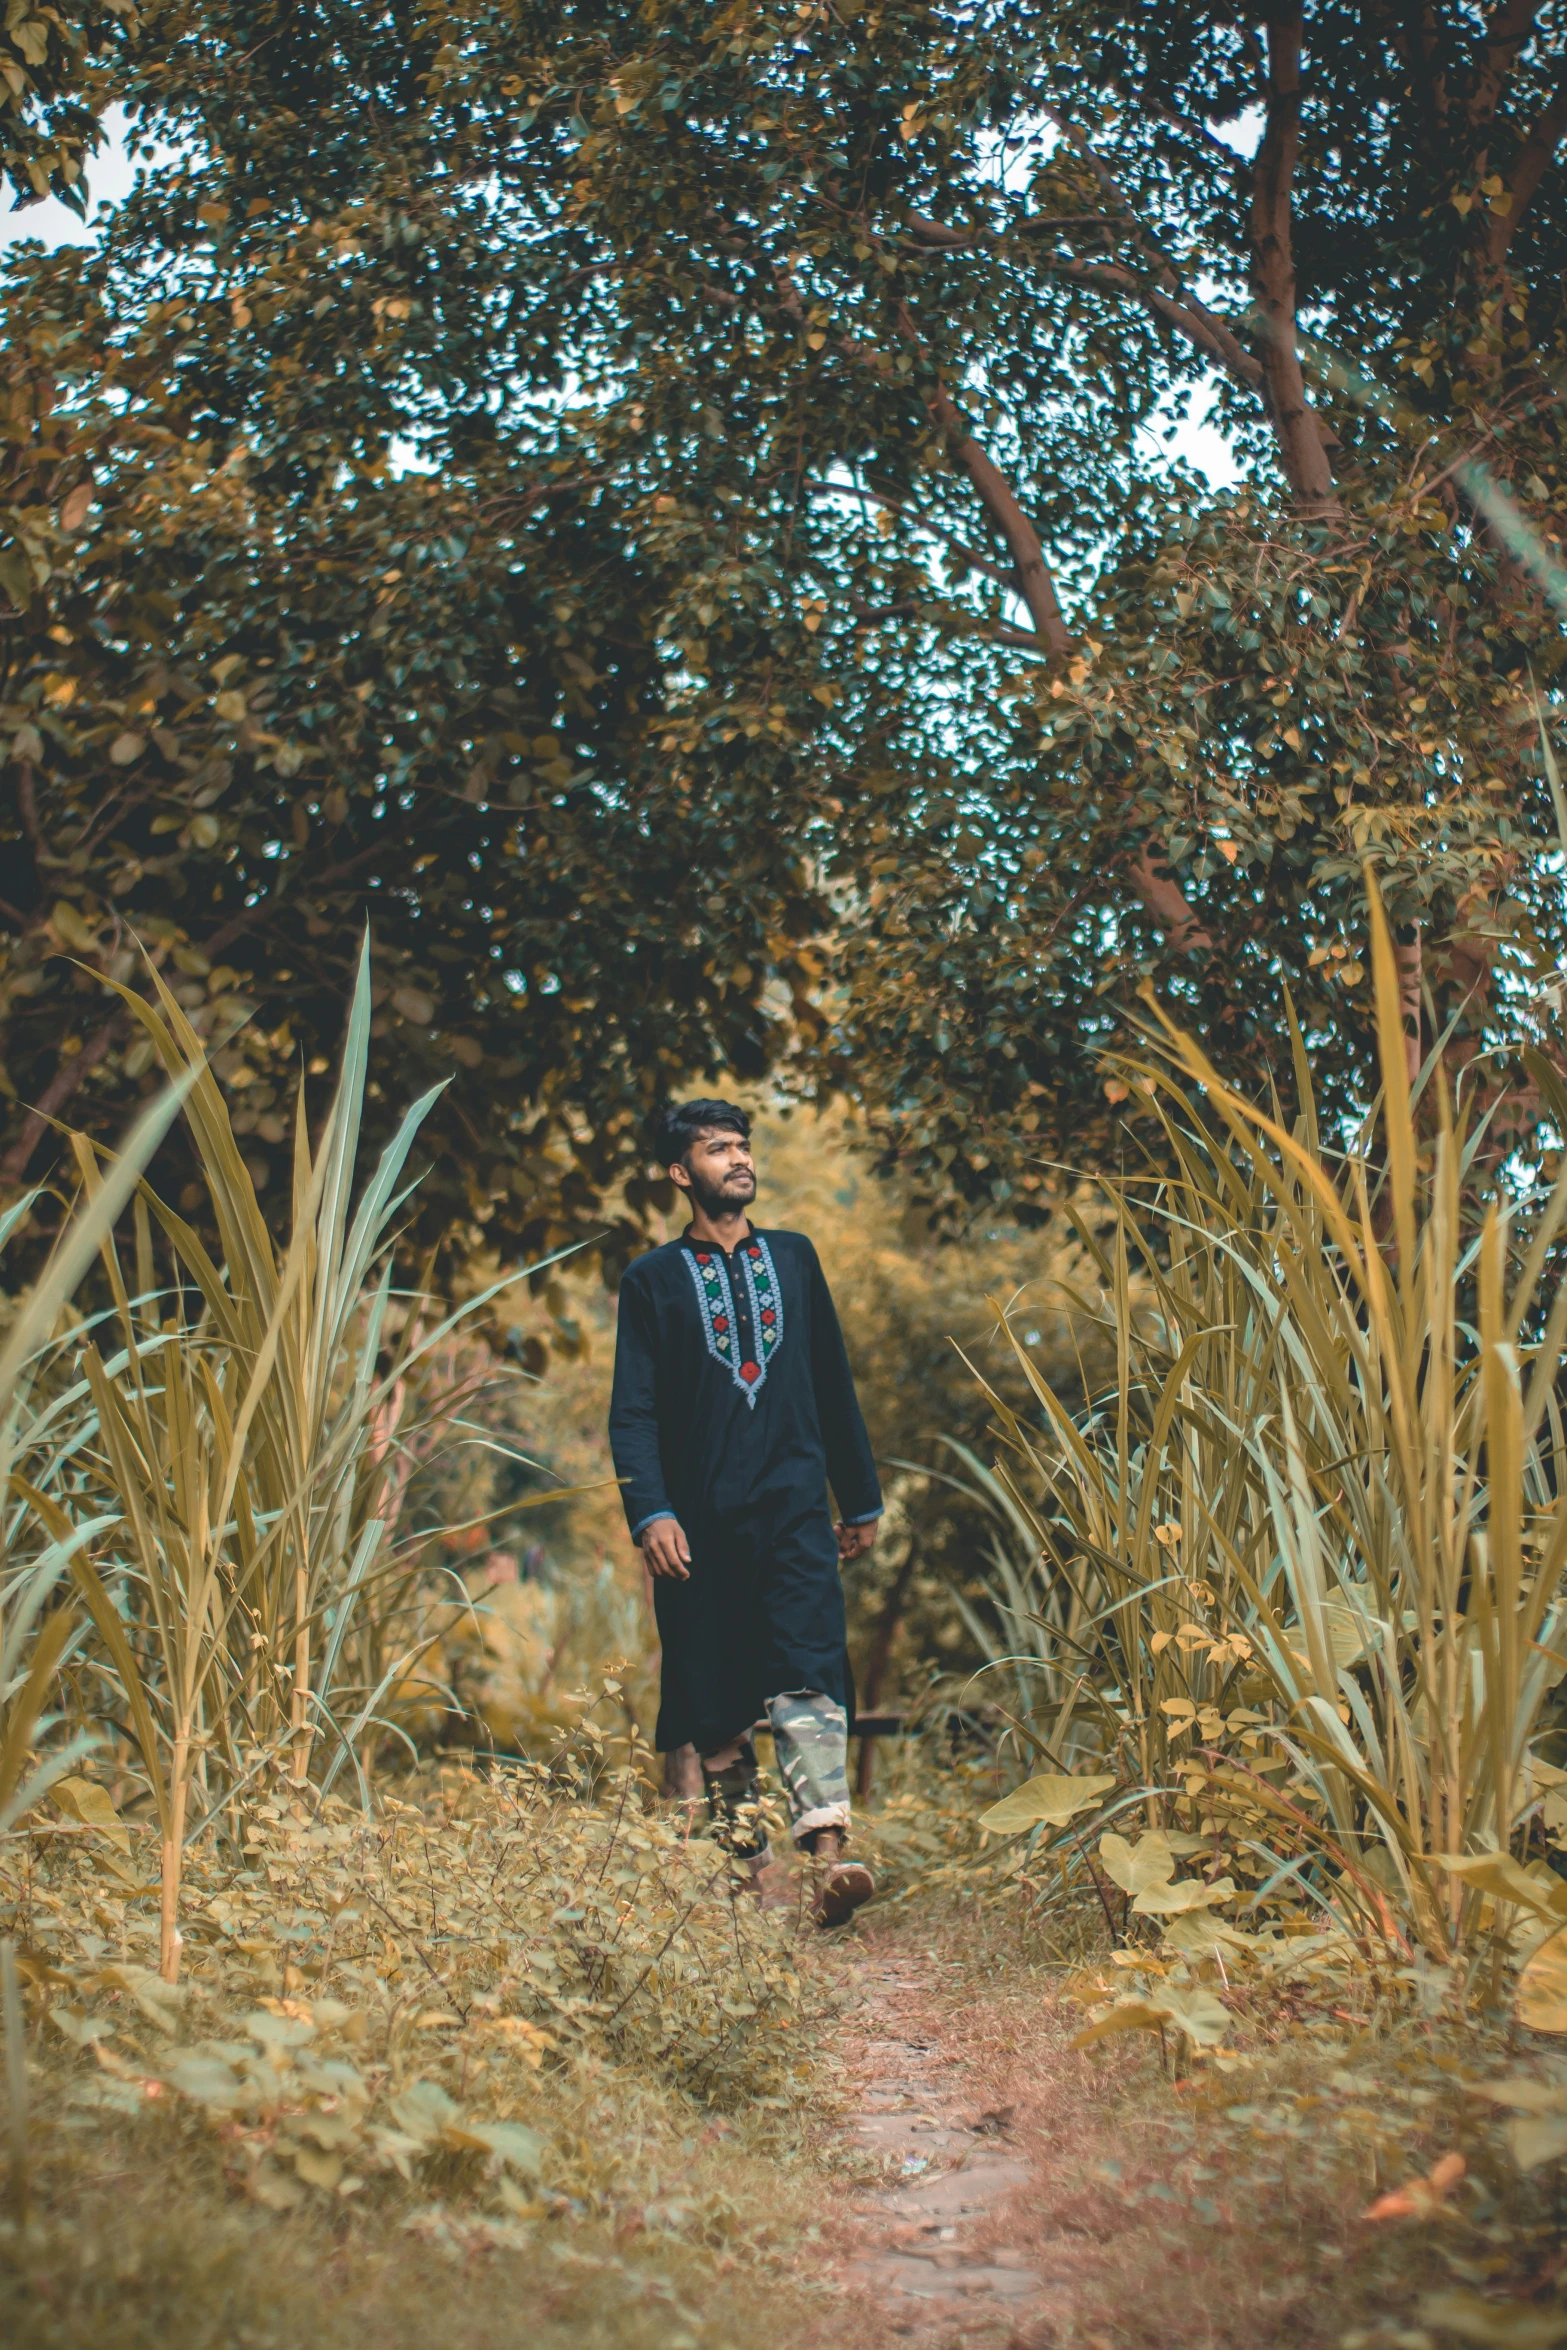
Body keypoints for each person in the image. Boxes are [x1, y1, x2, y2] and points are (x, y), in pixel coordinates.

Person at [608, 1099, 882, 1925]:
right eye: (716, 1148)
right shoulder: (651, 1280)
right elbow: (633, 1412)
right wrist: (650, 1510)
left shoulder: (794, 1260)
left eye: (741, 1146)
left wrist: (858, 1496)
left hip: (795, 1510)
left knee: (809, 1666)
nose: (737, 1159)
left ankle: (828, 1860)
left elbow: (832, 1381)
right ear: (679, 1172)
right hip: (697, 1524)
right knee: (714, 1693)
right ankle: (746, 1866)